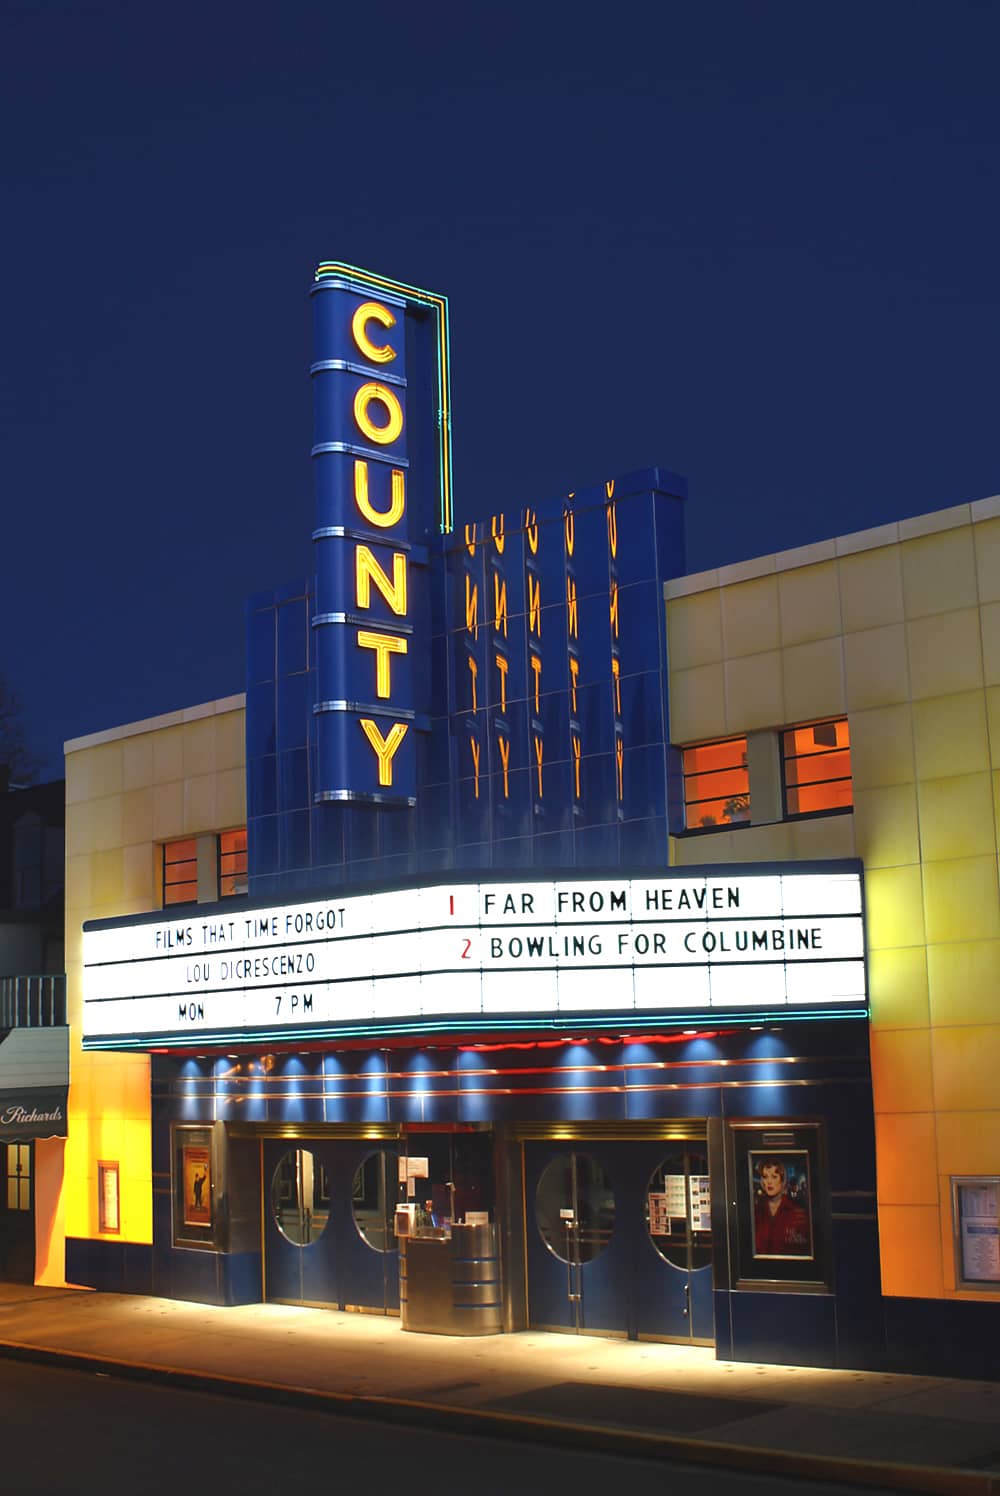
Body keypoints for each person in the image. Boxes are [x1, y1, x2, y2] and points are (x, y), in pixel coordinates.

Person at [753, 1157, 810, 1255]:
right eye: (765, 1177)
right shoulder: (755, 1212)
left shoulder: (797, 1212)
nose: (769, 1182)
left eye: (774, 1176)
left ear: (783, 1181)